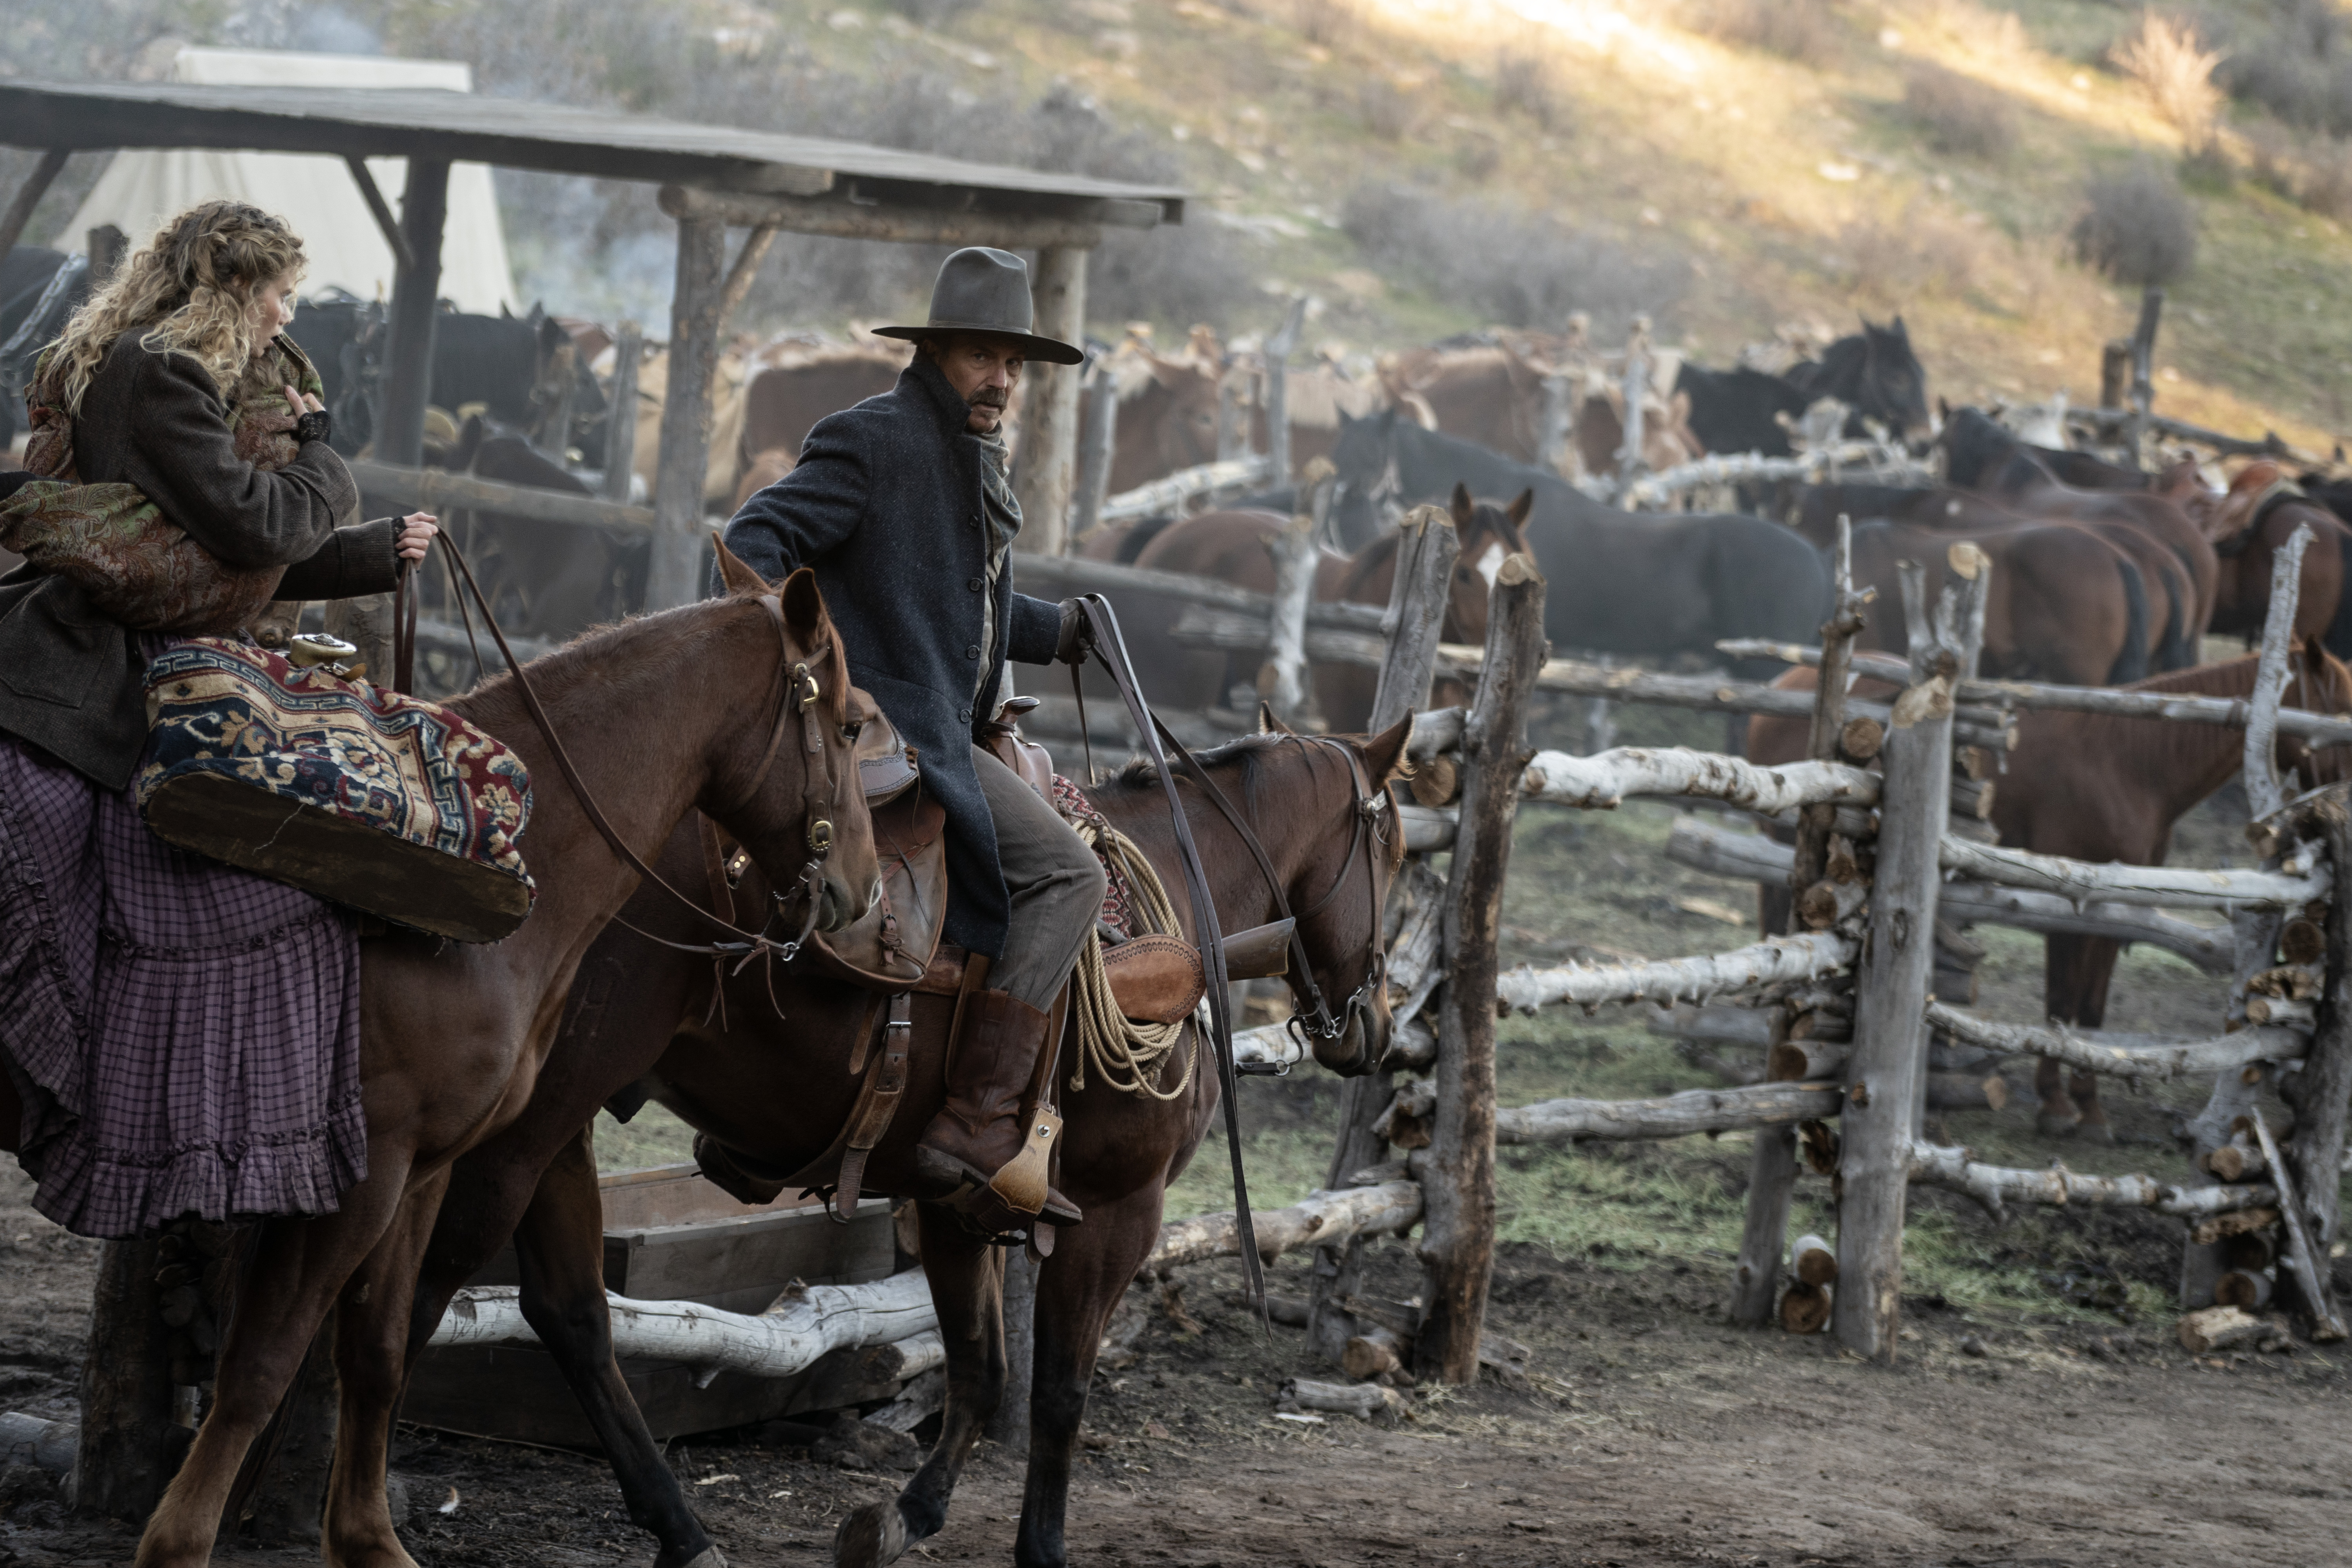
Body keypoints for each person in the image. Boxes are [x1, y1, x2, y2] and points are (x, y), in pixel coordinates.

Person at [0, 200, 437, 1238]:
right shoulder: (161, 377)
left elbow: (219, 545)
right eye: (281, 291)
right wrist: (331, 463)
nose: (290, 312)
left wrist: (377, 551)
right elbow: (252, 520)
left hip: (147, 649)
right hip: (82, 663)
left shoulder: (170, 373)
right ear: (239, 292)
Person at [724, 247, 1106, 1235]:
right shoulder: (876, 440)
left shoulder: (969, 461)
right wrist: (814, 677)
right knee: (1071, 876)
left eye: (1014, 366)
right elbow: (754, 542)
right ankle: (980, 1122)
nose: (1002, 381)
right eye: (984, 357)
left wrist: (1055, 627)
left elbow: (953, 604)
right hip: (901, 730)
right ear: (936, 353)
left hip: (943, 719)